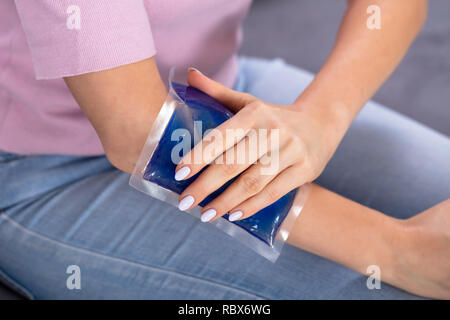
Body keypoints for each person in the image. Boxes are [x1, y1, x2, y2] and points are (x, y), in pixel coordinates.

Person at [0, 0, 448, 299]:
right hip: (47, 168)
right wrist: (395, 251)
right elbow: (137, 131)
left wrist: (319, 119)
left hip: (220, 91)